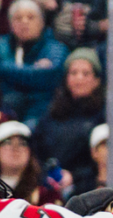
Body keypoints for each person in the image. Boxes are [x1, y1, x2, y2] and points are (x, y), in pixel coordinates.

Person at [0, 0, 64, 124]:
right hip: (3, 109)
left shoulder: (55, 47)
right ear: (10, 24)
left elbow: (47, 76)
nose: (24, 22)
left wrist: (4, 70)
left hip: (41, 112)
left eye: (31, 17)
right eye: (18, 18)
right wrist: (32, 71)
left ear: (42, 22)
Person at [34, 46, 101, 190]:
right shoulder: (52, 112)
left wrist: (74, 176)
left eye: (85, 73)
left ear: (96, 80)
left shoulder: (103, 115)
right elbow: (38, 149)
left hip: (87, 185)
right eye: (74, 73)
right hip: (50, 182)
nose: (79, 78)